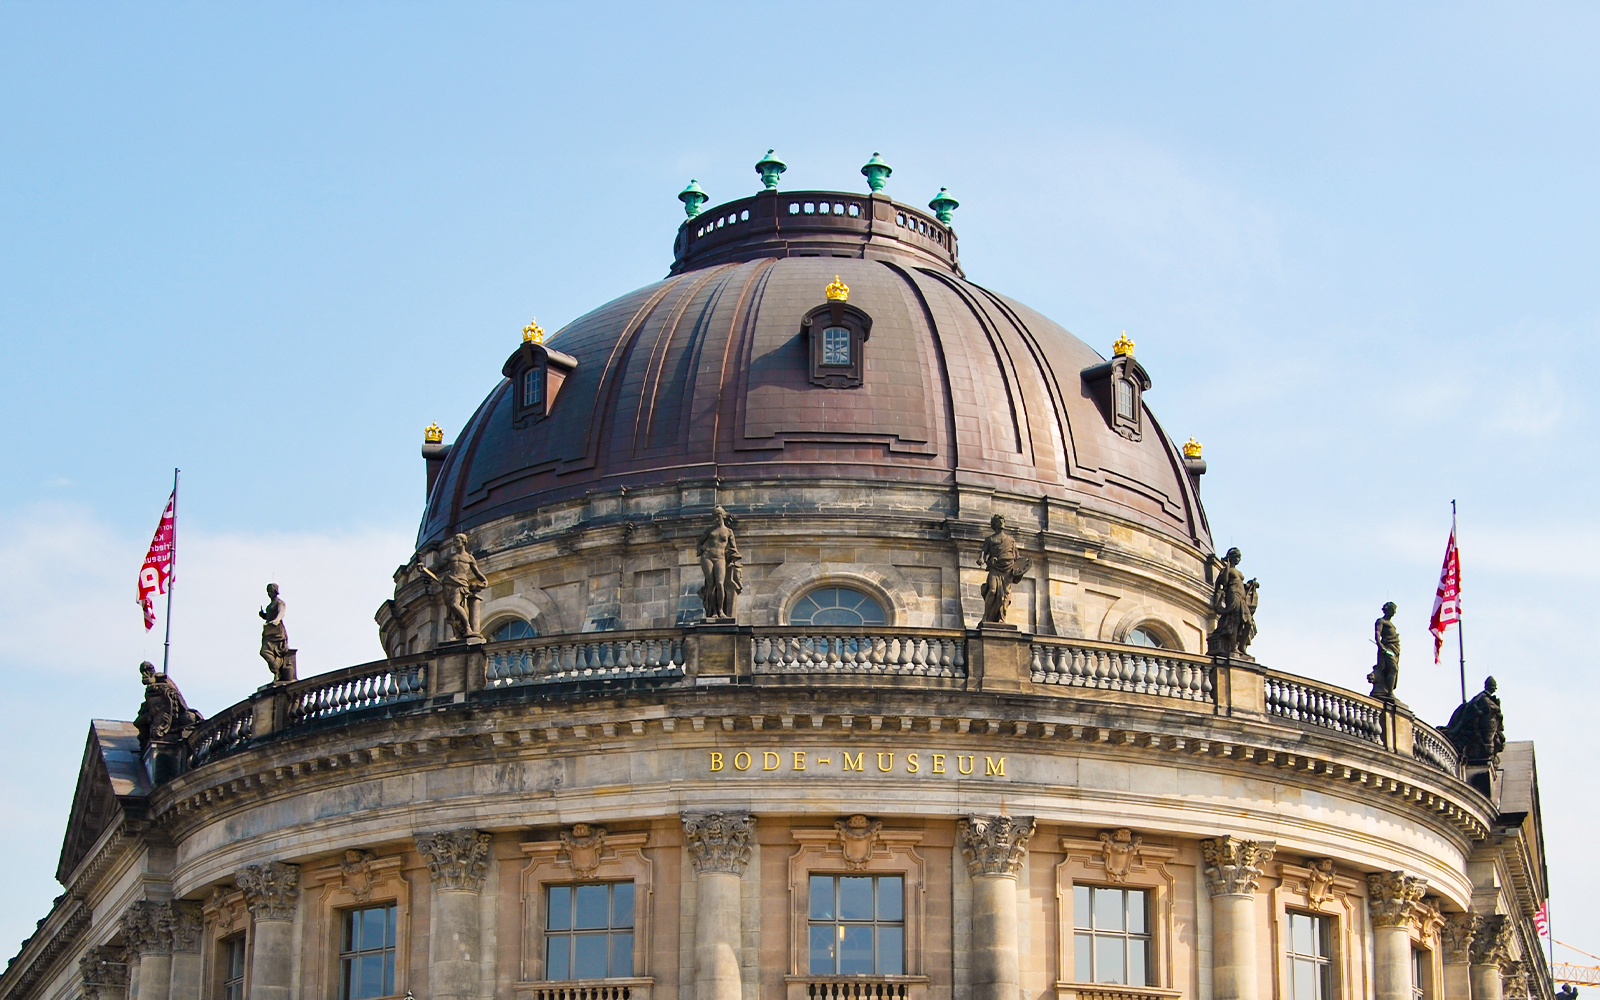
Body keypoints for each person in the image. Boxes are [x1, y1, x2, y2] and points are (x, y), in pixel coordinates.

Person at [418, 533, 488, 641]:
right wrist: (424, 568)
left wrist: (484, 580)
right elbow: (436, 567)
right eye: (454, 540)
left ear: (463, 541)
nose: (455, 543)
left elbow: (477, 572)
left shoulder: (469, 558)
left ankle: (468, 628)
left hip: (461, 583)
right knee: (451, 611)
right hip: (449, 583)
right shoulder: (451, 557)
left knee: (455, 605)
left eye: (457, 540)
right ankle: (458, 634)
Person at [133, 660, 203, 751]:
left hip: (169, 712)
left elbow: (159, 680)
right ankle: (145, 739)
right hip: (154, 713)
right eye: (142, 671)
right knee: (138, 722)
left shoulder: (160, 678)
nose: (144, 673)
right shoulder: (152, 691)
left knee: (188, 717)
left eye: (147, 670)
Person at [978, 514, 1031, 623]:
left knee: (1005, 594)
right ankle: (987, 616)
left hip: (1007, 569)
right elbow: (983, 554)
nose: (1002, 522)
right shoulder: (990, 539)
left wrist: (1022, 566)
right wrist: (983, 560)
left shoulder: (1010, 540)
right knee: (992, 590)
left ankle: (1002, 617)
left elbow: (1017, 557)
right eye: (999, 521)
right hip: (995, 568)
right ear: (994, 524)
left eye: (1003, 520)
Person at [1207, 548, 1259, 658]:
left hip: (1241, 598)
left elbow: (1241, 585)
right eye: (1236, 557)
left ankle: (1241, 647)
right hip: (1233, 596)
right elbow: (1223, 583)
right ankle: (1233, 647)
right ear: (1231, 557)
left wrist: (1250, 585)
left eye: (1239, 557)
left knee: (1248, 622)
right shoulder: (1227, 570)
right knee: (1235, 621)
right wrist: (1226, 567)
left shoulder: (1238, 573)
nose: (1238, 559)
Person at [1442, 676, 1506, 764]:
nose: (1494, 688)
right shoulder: (1483, 697)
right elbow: (1478, 705)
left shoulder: (1486, 697)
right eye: (1493, 686)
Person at [697, 507, 741, 620]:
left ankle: (721, 611)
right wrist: (700, 549)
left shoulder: (728, 531)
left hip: (720, 558)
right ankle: (714, 612)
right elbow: (700, 542)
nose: (716, 519)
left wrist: (734, 558)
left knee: (720, 584)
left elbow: (733, 548)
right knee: (711, 584)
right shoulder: (710, 530)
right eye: (714, 517)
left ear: (723, 516)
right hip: (707, 557)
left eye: (718, 516)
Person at [258, 583, 295, 682]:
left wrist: (276, 620)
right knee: (265, 652)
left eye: (271, 590)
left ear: (275, 591)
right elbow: (270, 616)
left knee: (268, 652)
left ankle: (277, 671)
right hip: (269, 631)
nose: (269, 593)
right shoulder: (270, 605)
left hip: (277, 631)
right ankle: (276, 670)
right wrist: (264, 616)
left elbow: (281, 613)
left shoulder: (280, 603)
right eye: (268, 591)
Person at [1367, 601, 1400, 699]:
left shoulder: (1391, 624)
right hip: (1387, 648)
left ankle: (1388, 690)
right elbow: (1377, 633)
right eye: (1392, 609)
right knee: (1393, 668)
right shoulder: (1381, 621)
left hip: (1394, 649)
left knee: (1393, 670)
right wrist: (1380, 645)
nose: (1394, 612)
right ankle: (1389, 692)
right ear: (1387, 609)